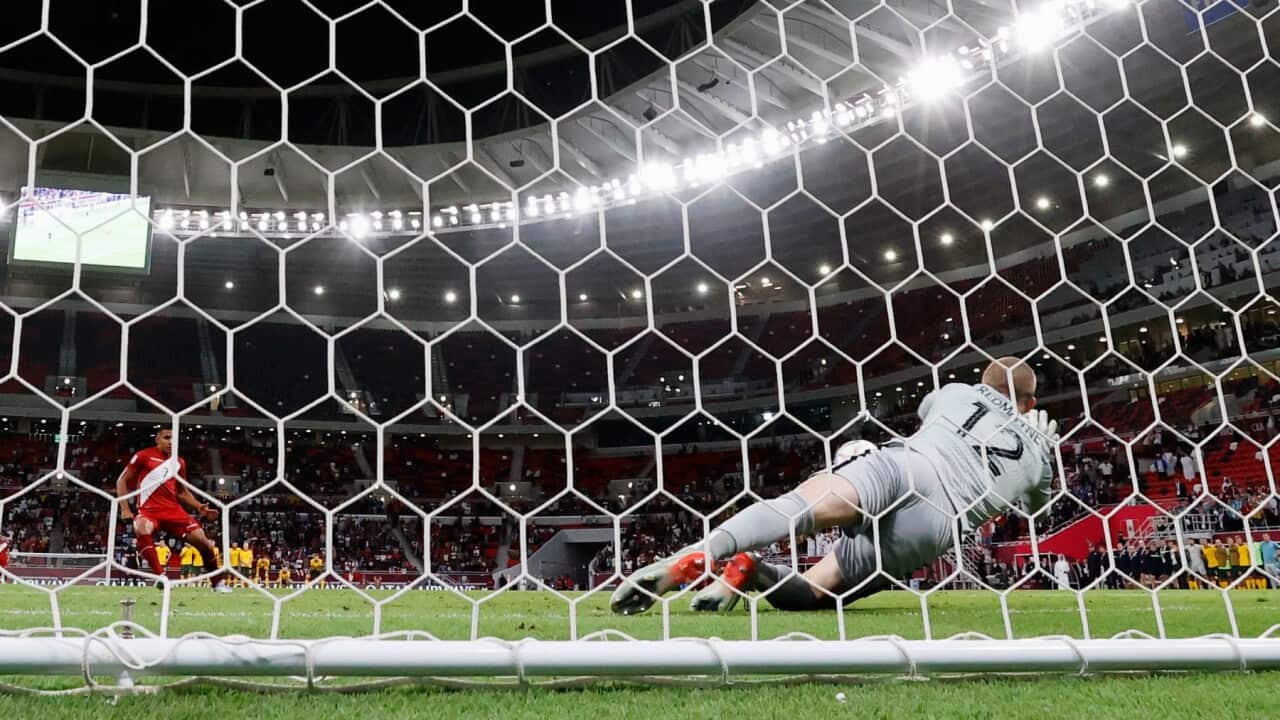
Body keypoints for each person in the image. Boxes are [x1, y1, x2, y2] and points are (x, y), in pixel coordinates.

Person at [610, 357, 1058, 614]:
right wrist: (1041, 446)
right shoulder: (1038, 454)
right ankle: (749, 569)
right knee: (814, 593)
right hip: (936, 521)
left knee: (793, 508)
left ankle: (700, 552)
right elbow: (1041, 505)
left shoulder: (956, 391)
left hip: (900, 466)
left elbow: (928, 414)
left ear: (984, 380)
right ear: (1031, 402)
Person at [115, 429, 229, 592]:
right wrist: (125, 508)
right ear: (157, 439)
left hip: (173, 511)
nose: (170, 442)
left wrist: (199, 506)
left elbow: (181, 491)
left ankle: (217, 583)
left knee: (204, 543)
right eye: (167, 438)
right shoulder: (143, 456)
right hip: (149, 511)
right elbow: (122, 480)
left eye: (173, 439)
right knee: (140, 527)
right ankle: (161, 577)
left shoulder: (179, 462)